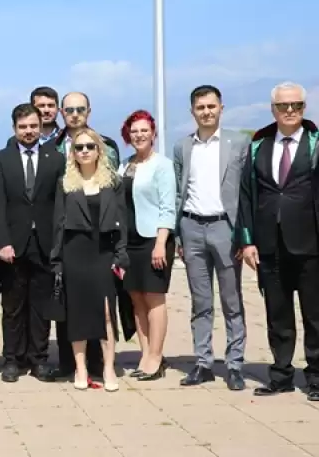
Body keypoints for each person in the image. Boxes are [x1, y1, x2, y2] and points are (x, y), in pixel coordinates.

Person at [238, 82, 319, 401]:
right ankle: (282, 375)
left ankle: (315, 376)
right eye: (283, 106)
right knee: (278, 314)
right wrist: (247, 242)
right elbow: (246, 195)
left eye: (296, 105)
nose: (289, 111)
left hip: (311, 245)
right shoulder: (259, 144)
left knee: (315, 315)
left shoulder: (315, 142)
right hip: (269, 245)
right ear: (272, 109)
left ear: (304, 108)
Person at [50, 91, 130, 382]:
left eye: (89, 147)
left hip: (104, 254)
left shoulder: (113, 183)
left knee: (108, 314)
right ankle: (81, 370)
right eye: (79, 147)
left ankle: (108, 368)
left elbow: (122, 221)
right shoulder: (65, 183)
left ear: (100, 150)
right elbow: (59, 223)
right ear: (72, 153)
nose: (84, 151)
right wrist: (56, 261)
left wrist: (122, 256)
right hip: (75, 255)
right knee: (78, 315)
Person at [173, 85, 248, 391]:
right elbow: (180, 190)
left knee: (232, 301)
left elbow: (247, 191)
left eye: (211, 106)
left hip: (225, 229)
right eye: (200, 107)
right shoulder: (182, 146)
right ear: (192, 111)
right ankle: (203, 362)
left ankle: (235, 365)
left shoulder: (238, 143)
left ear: (221, 108)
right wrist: (178, 233)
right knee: (200, 302)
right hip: (192, 227)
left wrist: (244, 236)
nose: (206, 112)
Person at [0, 103, 64, 383]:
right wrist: (3, 242)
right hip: (13, 244)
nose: (29, 131)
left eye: (33, 126)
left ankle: (39, 359)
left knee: (41, 306)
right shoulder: (1, 159)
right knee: (13, 306)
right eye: (23, 127)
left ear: (40, 126)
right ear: (14, 129)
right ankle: (13, 359)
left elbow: (59, 205)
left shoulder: (55, 159)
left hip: (44, 243)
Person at [118, 110, 176, 381]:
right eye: (134, 131)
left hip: (153, 239)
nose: (139, 135)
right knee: (136, 299)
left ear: (153, 133)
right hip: (128, 240)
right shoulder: (124, 165)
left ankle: (156, 356)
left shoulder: (161, 165)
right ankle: (145, 354)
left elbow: (168, 207)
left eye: (144, 130)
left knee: (154, 299)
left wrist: (160, 243)